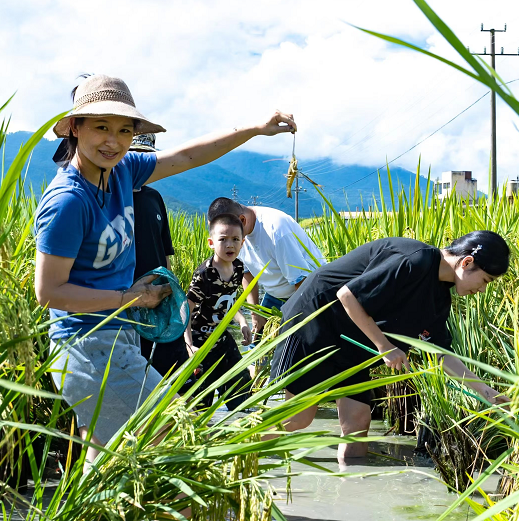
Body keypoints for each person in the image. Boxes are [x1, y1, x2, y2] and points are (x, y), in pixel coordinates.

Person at [34, 73, 296, 464]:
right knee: (175, 436)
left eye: (124, 130)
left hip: (118, 338)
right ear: (75, 127)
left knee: (106, 459)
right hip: (86, 345)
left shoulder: (122, 171)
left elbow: (188, 156)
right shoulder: (68, 201)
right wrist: (129, 298)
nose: (113, 141)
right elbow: (48, 292)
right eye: (101, 127)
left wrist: (255, 129)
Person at [268, 231, 513, 461]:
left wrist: (486, 392)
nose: (482, 289)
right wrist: (384, 346)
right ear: (467, 262)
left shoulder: (439, 298)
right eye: (485, 280)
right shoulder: (414, 259)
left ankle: (352, 484)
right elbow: (347, 295)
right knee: (298, 419)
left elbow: (440, 354)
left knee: (358, 422)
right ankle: (243, 449)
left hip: (351, 342)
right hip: (313, 322)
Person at [206, 198, 325, 345]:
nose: (227, 244)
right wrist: (255, 314)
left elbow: (302, 282)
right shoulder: (234, 236)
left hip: (309, 291)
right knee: (256, 345)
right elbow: (247, 274)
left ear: (242, 220)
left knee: (294, 347)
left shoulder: (276, 230)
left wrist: (296, 321)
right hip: (275, 293)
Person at [129, 133, 191, 385]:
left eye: (147, 157)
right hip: (127, 303)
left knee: (174, 377)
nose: (142, 163)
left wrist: (168, 296)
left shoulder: (154, 198)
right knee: (138, 376)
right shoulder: (110, 198)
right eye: (136, 156)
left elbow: (165, 256)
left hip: (158, 302)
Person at [184, 213, 253, 410]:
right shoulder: (204, 275)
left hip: (221, 339)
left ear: (243, 243)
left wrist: (242, 322)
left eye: (235, 239)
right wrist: (189, 346)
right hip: (200, 343)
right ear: (211, 243)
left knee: (242, 394)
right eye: (223, 239)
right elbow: (185, 310)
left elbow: (229, 301)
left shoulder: (238, 268)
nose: (230, 245)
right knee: (200, 405)